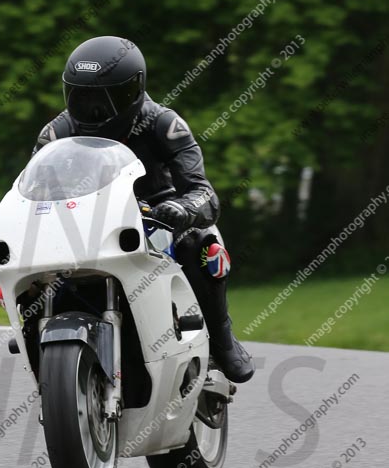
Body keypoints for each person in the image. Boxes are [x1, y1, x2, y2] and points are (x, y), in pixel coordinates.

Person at [32, 35, 255, 384]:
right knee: (29, 277)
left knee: (204, 247)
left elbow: (203, 192)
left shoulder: (163, 124)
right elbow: (32, 191)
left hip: (157, 222)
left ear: (134, 91)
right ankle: (39, 344)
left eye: (107, 100)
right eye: (83, 99)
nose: (95, 112)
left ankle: (222, 340)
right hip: (84, 227)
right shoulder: (56, 133)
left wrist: (182, 209)